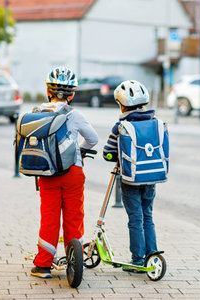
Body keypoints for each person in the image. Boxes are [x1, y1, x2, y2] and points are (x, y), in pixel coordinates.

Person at [31, 66, 98, 278]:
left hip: (48, 174)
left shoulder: (38, 113)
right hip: (73, 172)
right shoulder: (75, 115)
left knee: (49, 218)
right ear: (73, 94)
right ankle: (73, 260)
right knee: (73, 216)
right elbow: (93, 139)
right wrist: (80, 151)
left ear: (48, 91)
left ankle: (43, 266)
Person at [103, 80, 158, 272]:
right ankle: (153, 256)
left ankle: (137, 260)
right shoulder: (154, 123)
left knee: (135, 218)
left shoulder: (121, 126)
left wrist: (113, 155)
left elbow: (107, 152)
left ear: (122, 104)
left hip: (130, 179)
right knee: (148, 216)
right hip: (151, 176)